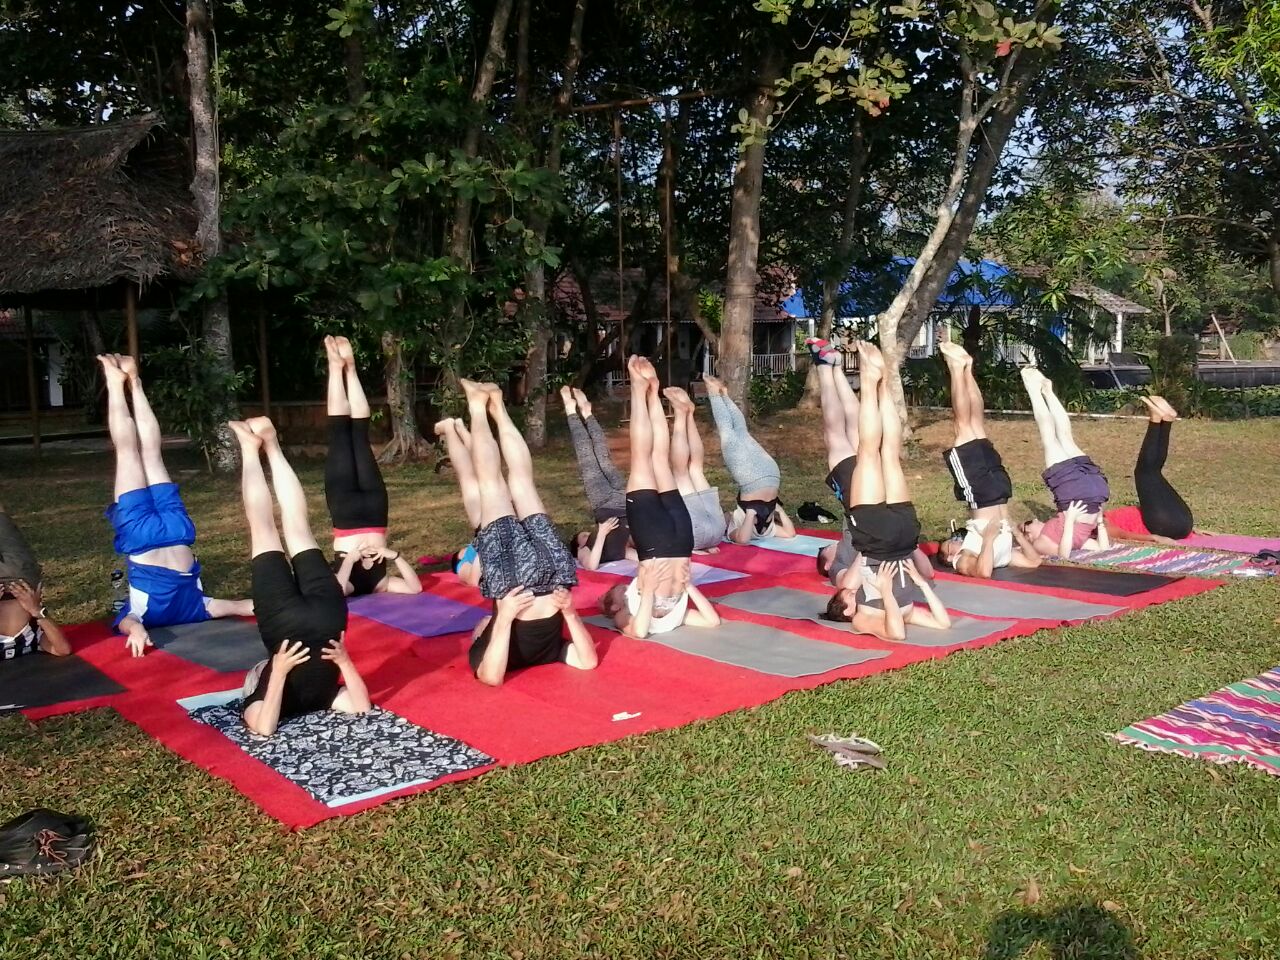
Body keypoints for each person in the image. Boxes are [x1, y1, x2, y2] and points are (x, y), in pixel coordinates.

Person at [442, 380, 597, 686]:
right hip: (534, 580)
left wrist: (504, 617)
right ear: (481, 635)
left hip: (532, 582)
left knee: (521, 482)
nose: (479, 627)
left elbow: (491, 676)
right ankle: (481, 406)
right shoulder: (551, 650)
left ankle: (496, 406)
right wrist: (569, 613)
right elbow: (588, 661)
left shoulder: (494, 645)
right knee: (495, 483)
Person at [99, 354, 252, 657]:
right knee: (129, 453)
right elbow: (129, 622)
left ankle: (135, 382)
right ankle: (119, 384)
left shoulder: (200, 609)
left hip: (177, 532)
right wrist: (137, 630)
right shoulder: (152, 614)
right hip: (143, 538)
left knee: (152, 455)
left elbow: (242, 606)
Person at [230, 418, 371, 737]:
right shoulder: (323, 696)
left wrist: (279, 673)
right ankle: (259, 447)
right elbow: (363, 708)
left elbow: (264, 728)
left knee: (292, 526)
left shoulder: (264, 698)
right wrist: (344, 662)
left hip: (304, 622)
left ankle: (267, 445)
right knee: (272, 527)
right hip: (318, 621)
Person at [824, 342, 951, 642]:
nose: (848, 594)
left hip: (902, 536)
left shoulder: (901, 610)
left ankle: (882, 385)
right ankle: (871, 382)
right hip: (881, 541)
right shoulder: (860, 619)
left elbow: (941, 623)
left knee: (890, 455)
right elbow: (897, 635)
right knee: (870, 453)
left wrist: (916, 588)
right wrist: (895, 591)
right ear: (847, 611)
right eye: (843, 600)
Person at [599, 357, 722, 638]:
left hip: (679, 543)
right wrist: (687, 588)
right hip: (663, 542)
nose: (619, 588)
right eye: (612, 595)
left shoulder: (655, 610)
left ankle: (652, 392)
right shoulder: (630, 613)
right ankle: (642, 389)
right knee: (645, 458)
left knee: (656, 460)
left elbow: (710, 622)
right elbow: (640, 632)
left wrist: (665, 590)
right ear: (615, 607)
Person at [808, 339, 931, 587]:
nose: (830, 545)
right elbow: (846, 584)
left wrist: (911, 545)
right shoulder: (838, 565)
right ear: (827, 564)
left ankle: (843, 369)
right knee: (839, 436)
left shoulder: (851, 551)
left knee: (887, 452)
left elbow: (928, 574)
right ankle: (832, 370)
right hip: (864, 506)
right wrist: (864, 553)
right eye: (825, 551)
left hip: (897, 523)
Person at [323, 336, 422, 597]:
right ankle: (351, 370)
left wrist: (349, 559)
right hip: (375, 510)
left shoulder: (351, 584)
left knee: (340, 434)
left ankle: (335, 368)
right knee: (359, 435)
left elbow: (336, 590)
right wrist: (394, 555)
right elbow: (415, 588)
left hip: (345, 514)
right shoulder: (381, 583)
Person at [934, 343, 1041, 577]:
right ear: (950, 556)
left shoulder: (968, 555)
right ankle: (957, 368)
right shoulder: (964, 561)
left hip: (989, 495)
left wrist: (990, 540)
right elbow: (1032, 562)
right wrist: (1012, 535)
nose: (956, 538)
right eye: (950, 543)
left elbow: (985, 566)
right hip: (991, 492)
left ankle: (967, 368)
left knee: (973, 425)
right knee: (964, 426)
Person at [1019, 367, 1111, 558]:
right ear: (1029, 536)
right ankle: (1034, 390)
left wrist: (1098, 521)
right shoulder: (1040, 543)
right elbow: (1064, 555)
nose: (1034, 519)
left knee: (1064, 436)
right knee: (1050, 437)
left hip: (1097, 490)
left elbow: (1100, 548)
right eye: (1028, 524)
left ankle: (1048, 392)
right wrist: (1085, 522)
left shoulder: (1072, 535)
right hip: (1077, 494)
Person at [702, 374, 797, 543]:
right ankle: (715, 393)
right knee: (731, 432)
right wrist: (779, 512)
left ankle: (723, 394)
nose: (723, 515)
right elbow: (788, 533)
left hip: (770, 475)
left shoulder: (735, 528)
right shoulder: (763, 530)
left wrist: (752, 514)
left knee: (739, 432)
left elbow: (742, 538)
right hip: (755, 478)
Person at [559, 385, 637, 570]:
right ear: (578, 545)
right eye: (582, 536)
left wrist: (601, 532)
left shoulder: (588, 546)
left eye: (583, 534)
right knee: (602, 455)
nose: (586, 534)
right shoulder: (613, 550)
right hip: (623, 499)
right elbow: (592, 566)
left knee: (589, 454)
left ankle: (576, 412)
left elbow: (590, 565)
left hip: (602, 501)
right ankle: (584, 413)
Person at [1104, 396, 1194, 544]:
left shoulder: (1089, 516)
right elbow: (1119, 534)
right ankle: (1157, 421)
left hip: (1180, 520)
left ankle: (1165, 421)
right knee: (1145, 473)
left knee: (1153, 472)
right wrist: (1152, 538)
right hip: (1164, 525)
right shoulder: (1091, 525)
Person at [0, 507, 70, 659]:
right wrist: (37, 611)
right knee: (2, 522)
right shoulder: (32, 641)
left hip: (18, 580)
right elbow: (63, 649)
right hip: (21, 578)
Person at [662, 386, 725, 553]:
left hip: (703, 533)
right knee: (692, 470)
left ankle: (683, 413)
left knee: (687, 472)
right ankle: (687, 414)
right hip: (712, 535)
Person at [432, 417, 484, 589]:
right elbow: (474, 581)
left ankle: (456, 430)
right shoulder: (463, 562)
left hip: (492, 528)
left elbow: (473, 580)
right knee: (475, 473)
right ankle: (456, 429)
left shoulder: (465, 561)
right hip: (491, 530)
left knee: (479, 473)